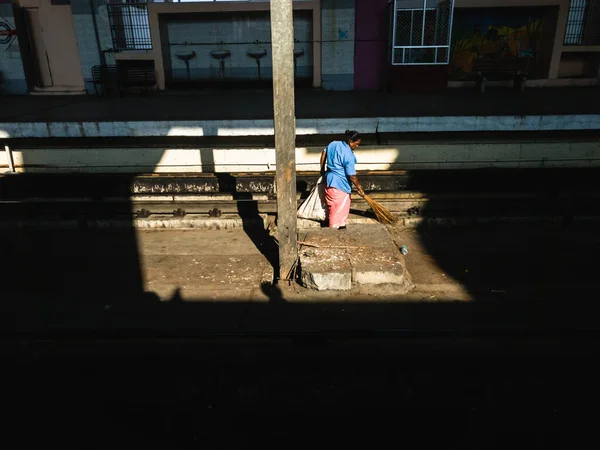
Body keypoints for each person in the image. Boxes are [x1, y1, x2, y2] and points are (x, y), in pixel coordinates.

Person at [319, 130, 365, 230]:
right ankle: (333, 233)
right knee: (337, 211)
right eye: (357, 144)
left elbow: (323, 153)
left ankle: (338, 230)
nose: (357, 147)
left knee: (333, 209)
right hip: (340, 186)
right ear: (351, 141)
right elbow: (352, 175)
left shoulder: (333, 144)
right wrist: (359, 188)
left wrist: (322, 170)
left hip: (329, 181)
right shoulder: (349, 155)